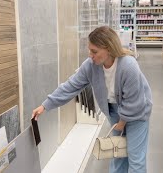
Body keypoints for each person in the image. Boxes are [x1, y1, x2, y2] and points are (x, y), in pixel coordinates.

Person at [32, 26, 152, 173]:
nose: (90, 55)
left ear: (108, 48)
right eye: (89, 50)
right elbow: (71, 86)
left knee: (136, 159)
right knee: (118, 154)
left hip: (138, 112)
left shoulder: (128, 66)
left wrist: (122, 123)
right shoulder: (91, 66)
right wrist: (46, 105)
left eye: (94, 51)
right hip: (114, 110)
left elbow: (135, 102)